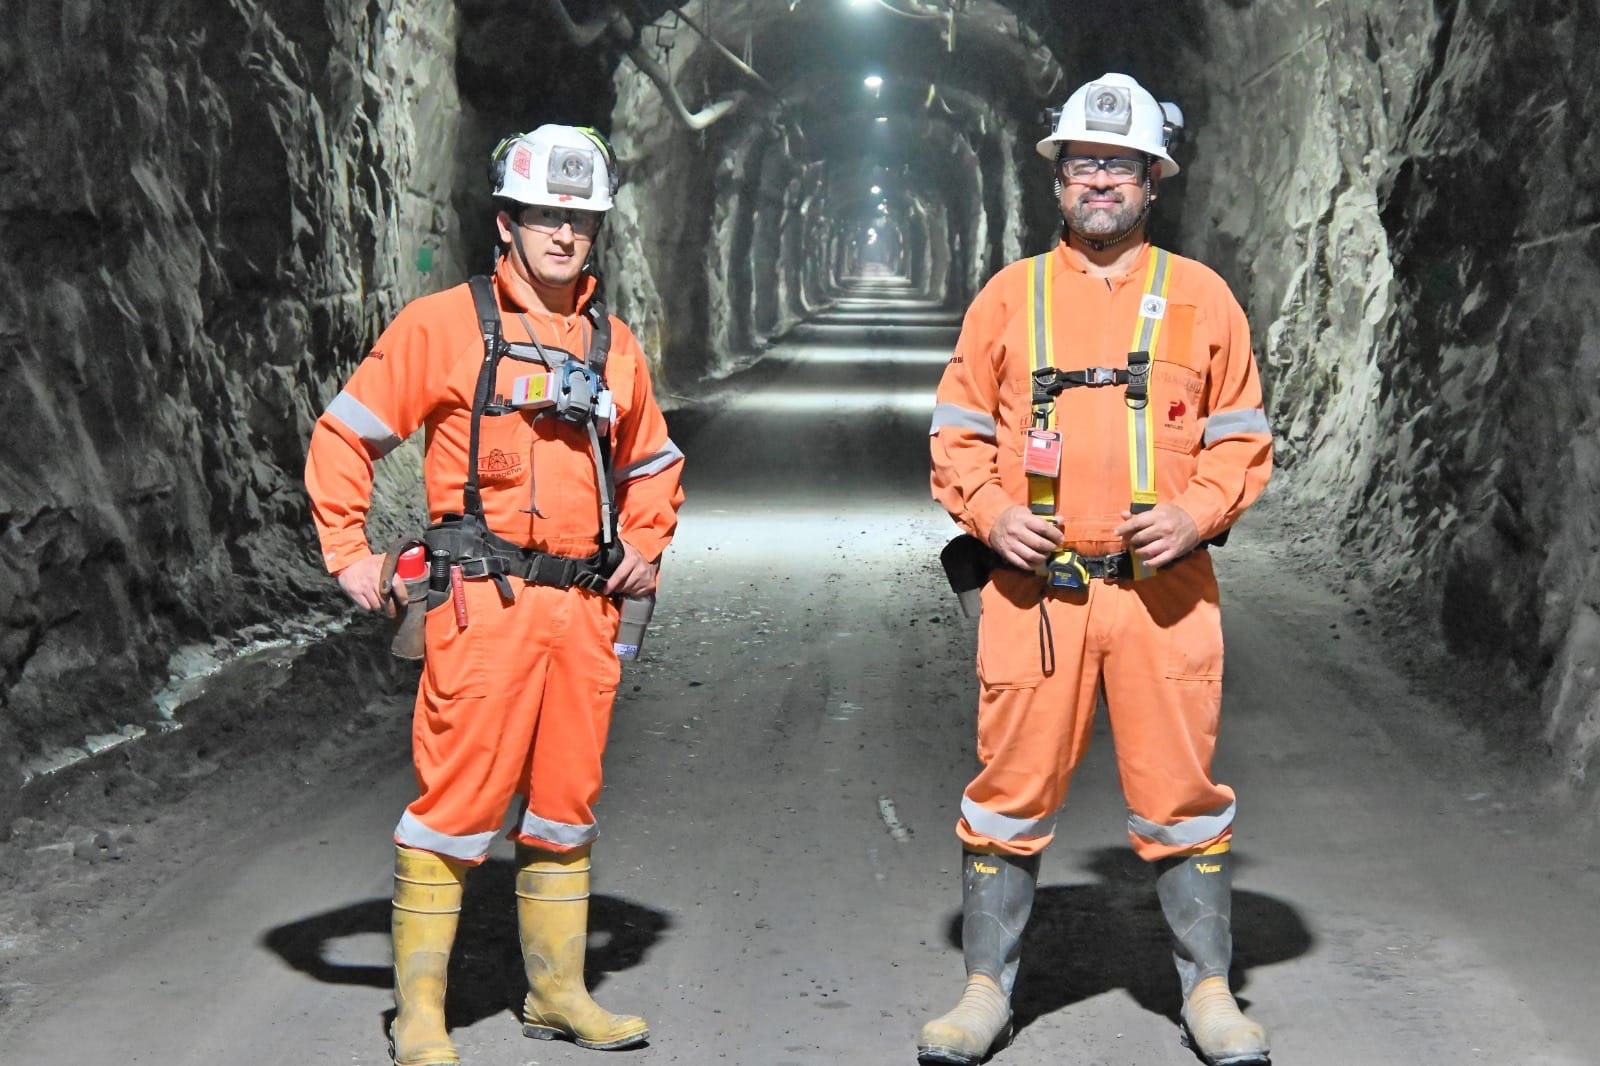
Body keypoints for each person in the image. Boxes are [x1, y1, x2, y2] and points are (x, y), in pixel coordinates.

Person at [304, 124, 685, 1065]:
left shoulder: (612, 344)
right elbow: (345, 433)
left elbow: (654, 462)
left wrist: (644, 542)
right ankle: (420, 1013)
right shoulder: (444, 326)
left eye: (581, 220)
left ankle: (557, 992)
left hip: (584, 610)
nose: (565, 236)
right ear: (508, 223)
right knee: (456, 805)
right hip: (483, 605)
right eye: (547, 217)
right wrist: (348, 551)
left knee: (564, 805)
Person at [920, 73, 1274, 1066]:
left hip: (1164, 594)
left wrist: (1196, 513)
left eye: (1118, 165)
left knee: (1181, 795)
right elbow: (954, 437)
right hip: (1037, 596)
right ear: (1059, 180)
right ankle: (985, 990)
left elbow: (1241, 442)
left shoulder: (1205, 301)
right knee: (1007, 791)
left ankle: (1209, 991)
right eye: (1084, 164)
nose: (1100, 182)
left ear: (1151, 179)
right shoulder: (1008, 298)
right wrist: (992, 515)